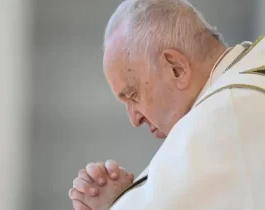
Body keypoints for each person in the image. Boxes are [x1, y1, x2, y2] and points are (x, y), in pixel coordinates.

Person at [69, 0, 265, 209]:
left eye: (133, 95)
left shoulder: (223, 117)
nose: (134, 119)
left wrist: (117, 204)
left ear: (176, 69)